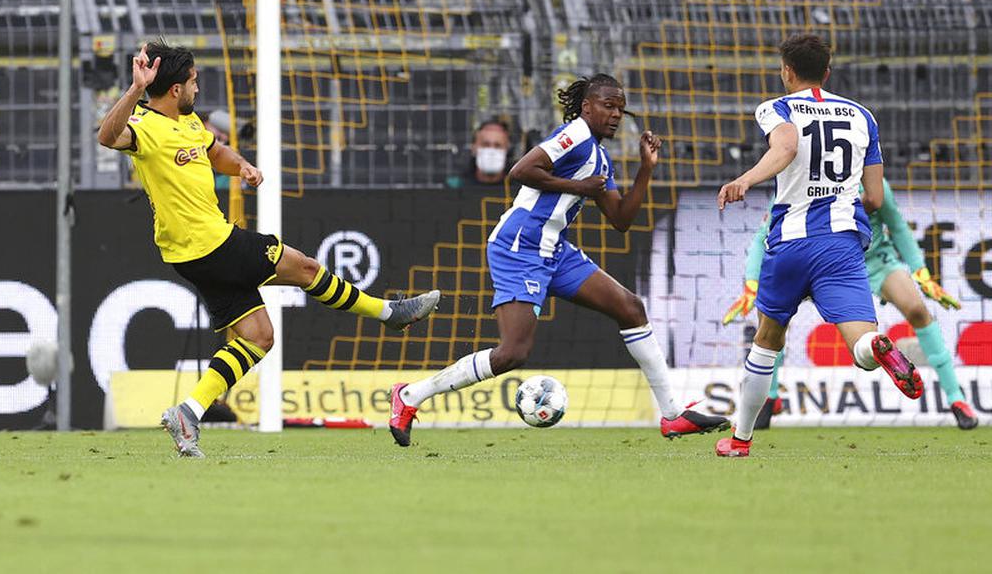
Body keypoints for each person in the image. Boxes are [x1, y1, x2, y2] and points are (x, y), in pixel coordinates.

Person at [97, 40, 440, 458]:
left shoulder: (188, 124)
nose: (197, 89)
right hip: (213, 244)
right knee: (308, 269)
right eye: (193, 83)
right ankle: (389, 314)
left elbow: (214, 151)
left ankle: (188, 412)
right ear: (174, 90)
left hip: (193, 255)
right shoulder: (145, 126)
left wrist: (241, 165)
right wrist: (134, 90)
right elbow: (106, 136)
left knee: (258, 337)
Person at [388, 74, 729, 446]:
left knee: (631, 308)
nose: (616, 114)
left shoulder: (600, 156)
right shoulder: (575, 135)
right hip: (520, 245)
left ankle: (672, 415)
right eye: (608, 106)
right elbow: (521, 171)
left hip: (555, 249)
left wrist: (646, 169)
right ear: (587, 107)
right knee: (513, 353)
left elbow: (620, 220)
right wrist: (578, 187)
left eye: (620, 108)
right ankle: (410, 397)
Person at [714, 34, 924, 458]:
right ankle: (878, 347)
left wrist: (746, 179)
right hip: (843, 244)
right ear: (827, 71)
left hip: (790, 240)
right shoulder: (863, 115)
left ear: (786, 71)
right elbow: (877, 199)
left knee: (767, 339)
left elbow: (787, 146)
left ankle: (740, 440)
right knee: (862, 344)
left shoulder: (777, 107)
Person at [724, 179, 975, 430]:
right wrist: (751, 283)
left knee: (917, 309)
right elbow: (762, 236)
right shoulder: (798, 180)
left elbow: (898, 228)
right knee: (775, 322)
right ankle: (771, 397)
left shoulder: (875, 186)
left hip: (874, 260)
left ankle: (956, 399)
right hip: (822, 262)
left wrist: (921, 272)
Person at [466, 118, 513, 185]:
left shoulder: (518, 189)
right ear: (474, 147)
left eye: (497, 146)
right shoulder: (459, 185)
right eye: (485, 145)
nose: (491, 151)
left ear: (507, 149)